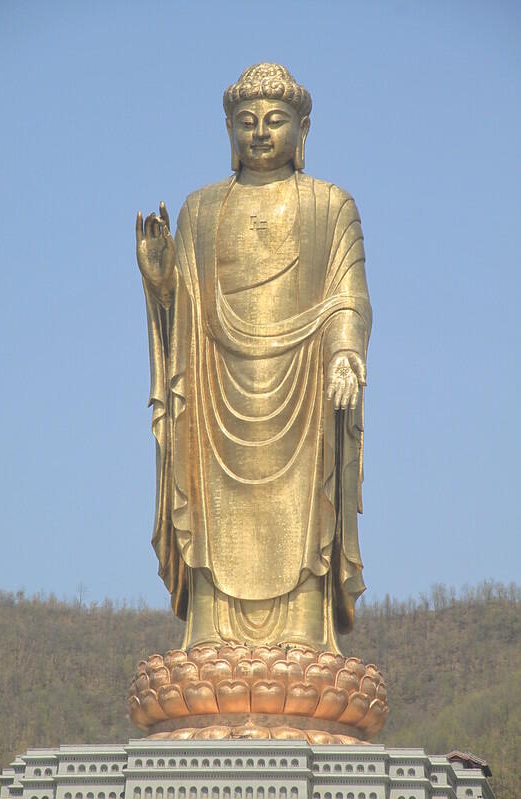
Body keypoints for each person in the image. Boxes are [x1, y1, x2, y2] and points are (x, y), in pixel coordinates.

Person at [136, 63, 372, 653]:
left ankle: (303, 637)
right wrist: (162, 281)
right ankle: (210, 635)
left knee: (304, 512)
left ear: (303, 129)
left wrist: (345, 352)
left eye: (275, 121)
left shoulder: (330, 206)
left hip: (306, 389)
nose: (260, 133)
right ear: (228, 131)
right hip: (215, 389)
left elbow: (350, 295)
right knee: (212, 510)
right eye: (246, 122)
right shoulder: (201, 210)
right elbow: (183, 302)